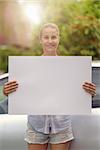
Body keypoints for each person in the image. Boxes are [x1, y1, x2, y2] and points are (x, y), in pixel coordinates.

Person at [3, 23, 96, 150]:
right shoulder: (29, 68)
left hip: (61, 126)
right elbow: (21, 93)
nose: (50, 41)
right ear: (40, 40)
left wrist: (89, 92)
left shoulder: (70, 68)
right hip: (36, 125)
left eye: (54, 37)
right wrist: (9, 92)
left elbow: (78, 96)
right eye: (46, 37)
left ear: (59, 39)